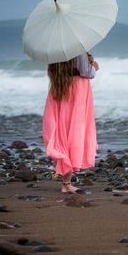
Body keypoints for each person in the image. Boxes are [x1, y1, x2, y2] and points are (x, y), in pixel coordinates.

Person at [42, 51, 100, 193]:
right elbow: (87, 73)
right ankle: (66, 183)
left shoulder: (55, 52)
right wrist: (94, 66)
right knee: (75, 133)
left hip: (61, 88)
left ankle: (66, 180)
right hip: (77, 91)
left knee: (63, 132)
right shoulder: (77, 50)